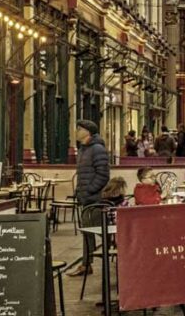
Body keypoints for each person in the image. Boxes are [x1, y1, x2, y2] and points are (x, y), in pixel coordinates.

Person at [68, 119, 110, 278]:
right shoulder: (83, 149)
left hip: (94, 200)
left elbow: (103, 174)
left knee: (99, 232)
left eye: (79, 129)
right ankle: (87, 264)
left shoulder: (97, 149)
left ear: (88, 131)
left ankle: (93, 262)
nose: (76, 131)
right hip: (86, 199)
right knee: (87, 233)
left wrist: (89, 191)